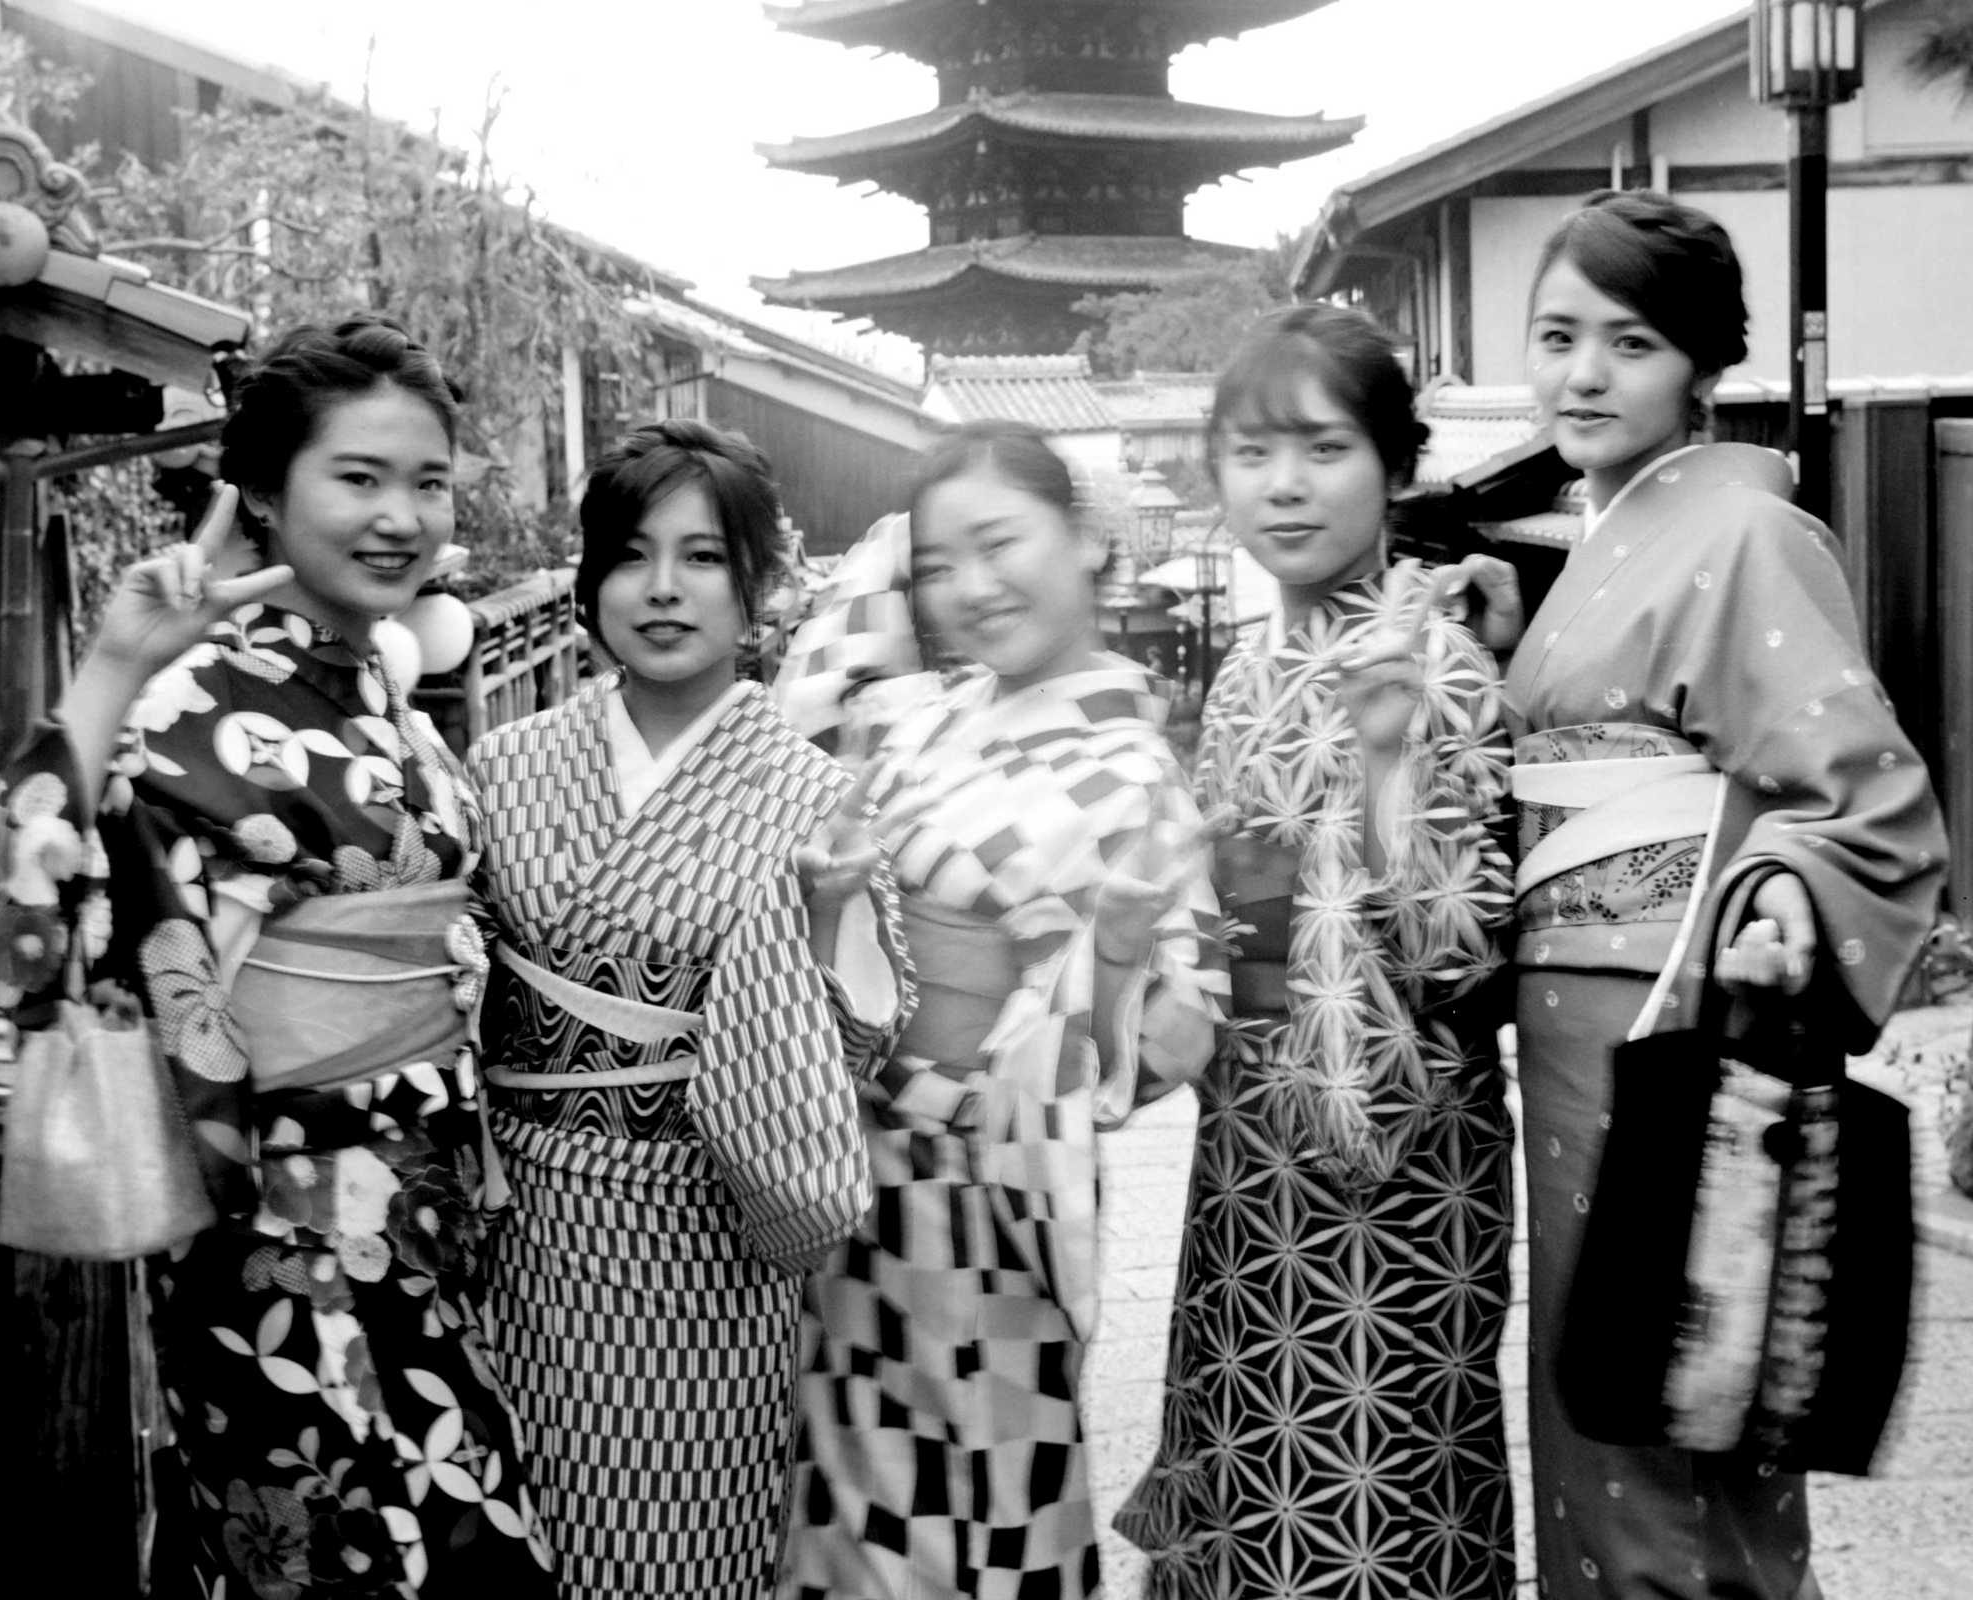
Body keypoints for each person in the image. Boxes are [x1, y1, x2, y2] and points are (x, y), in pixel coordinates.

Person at [0, 315, 556, 1593]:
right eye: (358, 477)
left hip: (426, 1213)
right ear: (265, 496)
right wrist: (112, 666)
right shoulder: (188, 702)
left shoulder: (393, 707)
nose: (399, 515)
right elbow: (20, 922)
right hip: (278, 1231)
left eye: (428, 482)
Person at [1507, 190, 1946, 1599]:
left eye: (1628, 343)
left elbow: (1864, 793)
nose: (1583, 373)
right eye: (1556, 337)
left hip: (1669, 1010)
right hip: (1584, 1020)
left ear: (1701, 366)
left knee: (1673, 1416)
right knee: (1622, 1403)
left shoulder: (1748, 532)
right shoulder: (1610, 537)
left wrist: (1785, 893)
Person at [775, 420, 1229, 1600]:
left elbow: (1175, 1036)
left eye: (1000, 543)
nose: (971, 587)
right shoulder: (913, 718)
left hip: (992, 1198)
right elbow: (805, 707)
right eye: (937, 564)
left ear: (1084, 539)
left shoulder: (1133, 769)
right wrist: (832, 910)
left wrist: (1111, 958)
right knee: (840, 1501)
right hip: (851, 1184)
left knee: (976, 1504)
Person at [1114, 303, 1520, 1600]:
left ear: (1395, 467)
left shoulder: (1438, 660)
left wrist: (1389, 764)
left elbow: (1464, 955)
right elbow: (1241, 941)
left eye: (1324, 448)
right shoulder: (1244, 675)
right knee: (1246, 1488)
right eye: (1252, 452)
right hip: (1252, 1157)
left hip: (1403, 1162)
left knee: (1385, 1498)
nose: (1284, 485)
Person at [467, 418, 908, 1600]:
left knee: (686, 1545)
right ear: (589, 581)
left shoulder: (812, 793)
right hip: (522, 1226)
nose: (662, 588)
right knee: (518, 1536)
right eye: (629, 555)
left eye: (703, 557)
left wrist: (829, 912)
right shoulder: (504, 767)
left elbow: (849, 1055)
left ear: (758, 585)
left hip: (707, 1239)